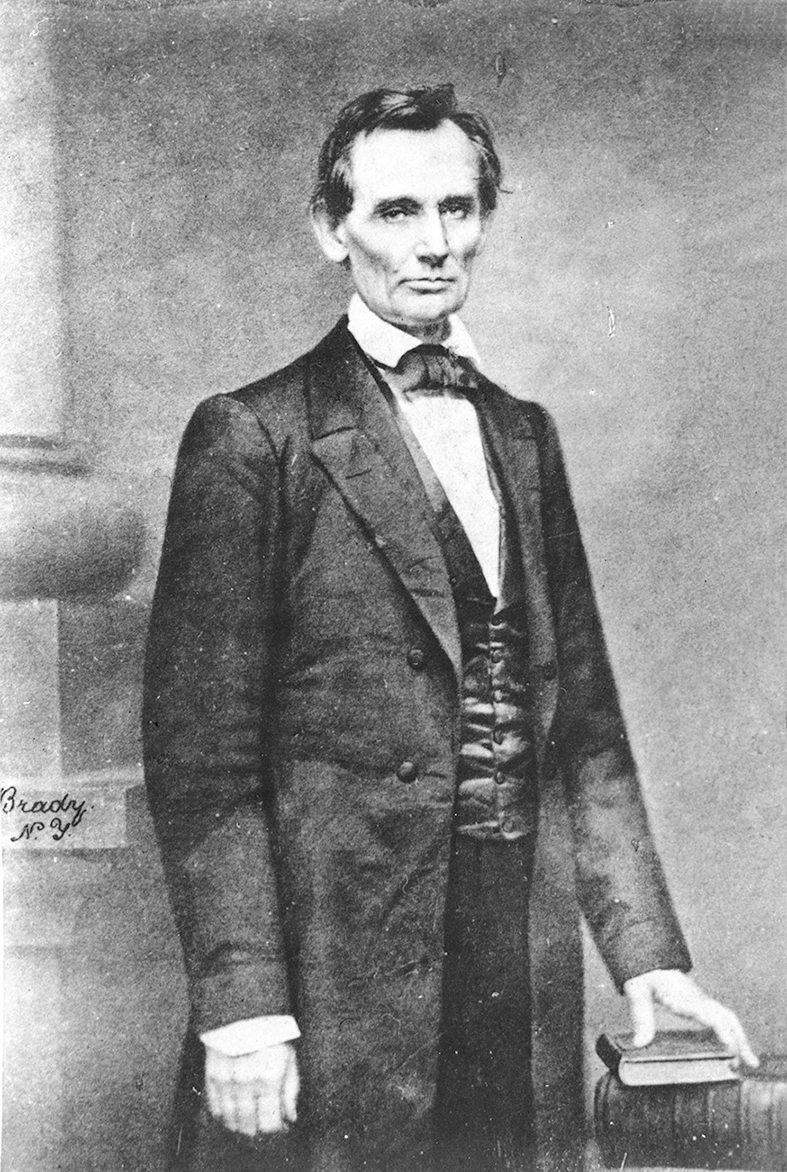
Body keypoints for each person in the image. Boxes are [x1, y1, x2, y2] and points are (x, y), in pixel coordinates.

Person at [143, 84, 756, 1172]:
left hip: (510, 952)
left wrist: (646, 958)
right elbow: (202, 763)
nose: (434, 246)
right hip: (332, 968)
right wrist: (240, 1003)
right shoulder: (252, 436)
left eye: (458, 210)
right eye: (395, 213)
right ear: (331, 229)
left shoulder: (523, 432)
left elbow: (585, 728)